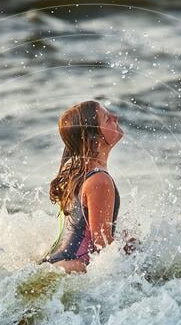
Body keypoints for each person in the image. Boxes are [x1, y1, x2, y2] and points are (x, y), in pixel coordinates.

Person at [42, 100, 125, 273]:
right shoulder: (99, 180)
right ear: (92, 138)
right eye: (107, 119)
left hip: (57, 264)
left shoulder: (76, 175)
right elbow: (102, 245)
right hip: (73, 268)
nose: (115, 116)